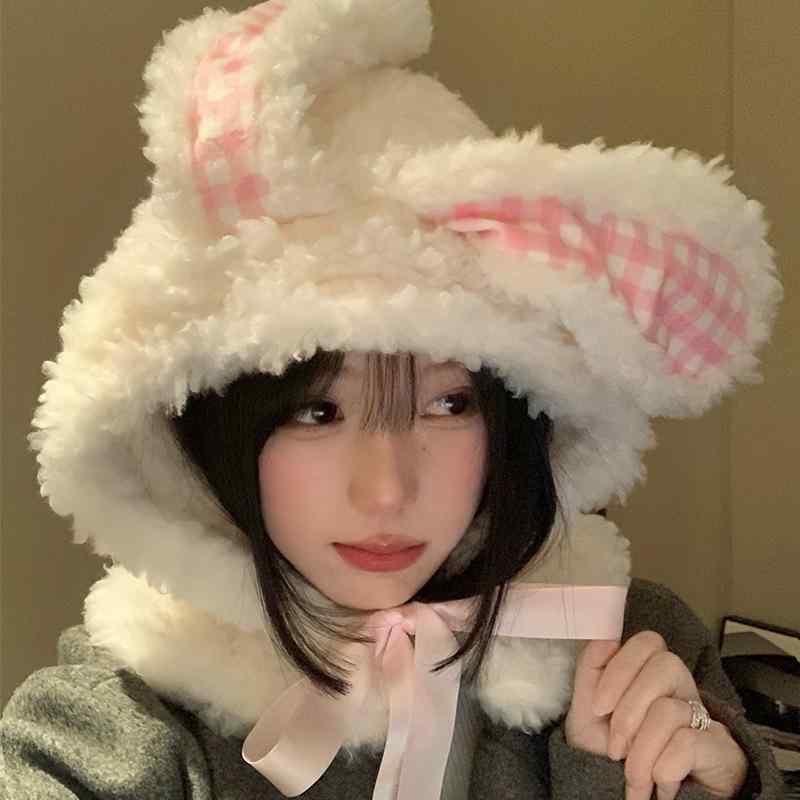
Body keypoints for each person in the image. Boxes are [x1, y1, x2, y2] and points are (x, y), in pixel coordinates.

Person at [0, 0, 786, 798]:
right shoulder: (110, 727)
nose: (387, 492)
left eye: (448, 405)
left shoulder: (634, 652)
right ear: (207, 423)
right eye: (317, 412)